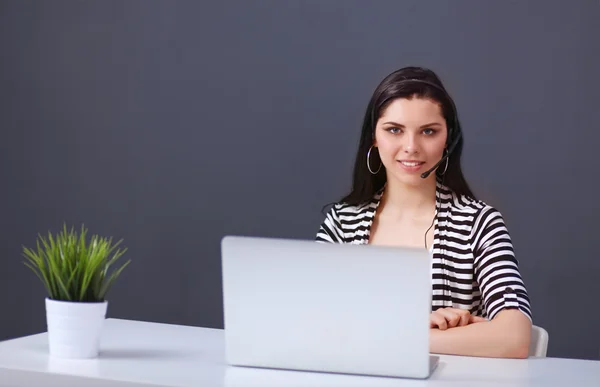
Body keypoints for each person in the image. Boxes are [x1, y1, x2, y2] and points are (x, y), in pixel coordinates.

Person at [316, 66, 532, 359]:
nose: (411, 147)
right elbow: (316, 324)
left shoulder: (479, 223)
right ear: (374, 138)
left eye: (428, 131)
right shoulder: (342, 222)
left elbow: (515, 337)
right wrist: (420, 331)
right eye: (394, 130)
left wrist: (406, 336)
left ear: (448, 141)